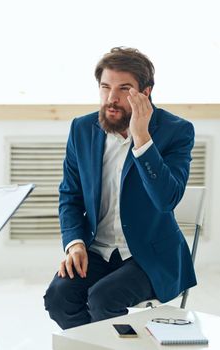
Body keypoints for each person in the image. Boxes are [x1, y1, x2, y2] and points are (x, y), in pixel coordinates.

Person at [44, 47, 197, 329]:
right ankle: (97, 345)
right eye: (105, 87)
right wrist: (75, 243)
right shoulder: (82, 128)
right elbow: (71, 195)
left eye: (124, 89)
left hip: (149, 255)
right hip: (97, 249)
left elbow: (167, 199)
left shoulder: (177, 131)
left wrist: (142, 138)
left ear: (145, 92)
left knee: (103, 298)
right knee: (58, 297)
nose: (111, 99)